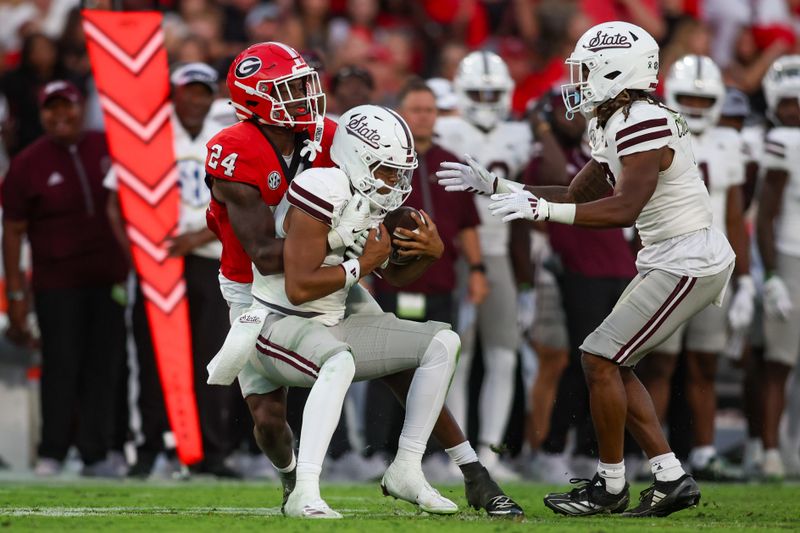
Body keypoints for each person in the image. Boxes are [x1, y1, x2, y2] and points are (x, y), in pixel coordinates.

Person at [205, 41, 522, 519]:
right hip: (257, 290)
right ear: (254, 102)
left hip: (329, 276)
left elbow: (384, 252)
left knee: (402, 359)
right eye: (289, 90)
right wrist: (362, 256)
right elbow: (272, 260)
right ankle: (293, 477)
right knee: (270, 420)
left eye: (303, 84)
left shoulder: (332, 136)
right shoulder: (235, 151)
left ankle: (470, 471)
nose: (304, 97)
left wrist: (416, 248)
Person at [438, 21, 735, 517]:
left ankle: (613, 484)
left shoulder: (642, 119)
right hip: (670, 256)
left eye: (586, 70)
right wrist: (498, 186)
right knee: (611, 360)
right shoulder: (615, 120)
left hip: (689, 257)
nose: (576, 81)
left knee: (599, 358)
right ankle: (668, 477)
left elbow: (622, 208)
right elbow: (576, 196)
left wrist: (542, 212)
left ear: (617, 71)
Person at [105, 62, 235, 477]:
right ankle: (147, 450)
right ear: (174, 93)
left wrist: (195, 239)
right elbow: (115, 201)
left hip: (209, 259)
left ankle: (207, 453)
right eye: (189, 91)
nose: (195, 100)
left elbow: (239, 203)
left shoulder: (225, 138)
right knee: (152, 356)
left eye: (203, 92)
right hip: (159, 263)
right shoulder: (150, 135)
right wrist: (138, 256)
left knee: (211, 359)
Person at [636, 55, 754, 482]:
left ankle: (703, 452)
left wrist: (746, 282)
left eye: (704, 100)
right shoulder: (655, 130)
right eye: (687, 98)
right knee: (659, 364)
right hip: (668, 257)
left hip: (714, 260)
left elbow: (736, 212)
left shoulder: (727, 142)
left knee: (704, 363)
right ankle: (655, 456)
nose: (697, 107)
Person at [1, 80, 128, 476]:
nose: (60, 116)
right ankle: (52, 450)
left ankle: (98, 450)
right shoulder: (28, 162)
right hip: (57, 282)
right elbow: (12, 230)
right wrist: (18, 294)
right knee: (61, 364)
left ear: (81, 106)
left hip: (110, 278)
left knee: (106, 364)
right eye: (51, 109)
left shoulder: (108, 147)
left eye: (67, 107)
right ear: (41, 115)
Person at [366, 78, 487, 474]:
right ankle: (376, 451)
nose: (424, 116)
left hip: (440, 282)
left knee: (435, 368)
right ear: (400, 113)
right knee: (384, 367)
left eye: (430, 110)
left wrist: (478, 269)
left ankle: (433, 454)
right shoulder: (382, 162)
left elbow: (469, 224)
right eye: (416, 109)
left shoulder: (450, 161)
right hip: (390, 278)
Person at [523, 89, 637, 481]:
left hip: (619, 268)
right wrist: (542, 128)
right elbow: (558, 178)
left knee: (616, 364)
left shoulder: (603, 149)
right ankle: (553, 447)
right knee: (581, 362)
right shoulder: (545, 155)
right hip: (579, 269)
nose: (573, 117)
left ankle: (592, 450)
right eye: (562, 112)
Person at [435, 51, 534, 480]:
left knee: (503, 356)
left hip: (500, 253)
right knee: (457, 356)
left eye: (492, 92)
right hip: (458, 253)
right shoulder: (447, 128)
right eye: (477, 91)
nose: (486, 99)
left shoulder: (519, 134)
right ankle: (461, 457)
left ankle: (491, 454)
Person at [755, 55, 800, 480]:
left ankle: (793, 449)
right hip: (790, 254)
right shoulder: (783, 142)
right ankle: (769, 450)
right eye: (789, 102)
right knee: (778, 361)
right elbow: (765, 215)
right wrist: (771, 275)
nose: (794, 110)